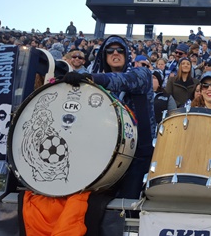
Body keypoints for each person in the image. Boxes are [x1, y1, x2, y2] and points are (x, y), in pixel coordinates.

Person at [62, 35, 155, 199]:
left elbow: (125, 81)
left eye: (120, 50)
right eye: (110, 50)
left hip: (138, 156)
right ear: (104, 56)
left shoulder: (142, 74)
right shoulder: (93, 87)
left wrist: (91, 79)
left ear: (126, 55)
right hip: (104, 155)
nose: (115, 53)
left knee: (127, 205)